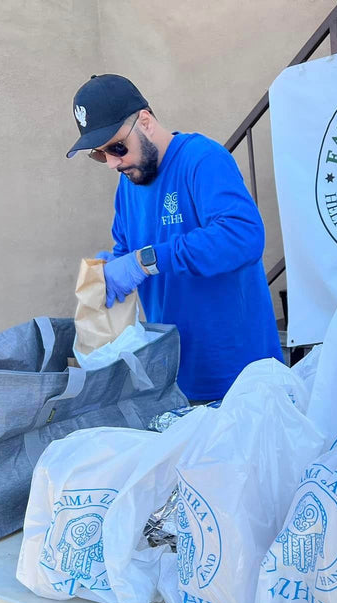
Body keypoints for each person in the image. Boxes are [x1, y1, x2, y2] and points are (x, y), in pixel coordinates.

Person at [66, 74, 282, 401]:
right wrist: (112, 269)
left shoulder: (201, 159)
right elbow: (127, 252)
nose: (112, 163)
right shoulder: (128, 186)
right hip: (175, 379)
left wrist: (145, 261)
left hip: (240, 377)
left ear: (145, 121)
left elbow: (243, 235)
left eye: (117, 147)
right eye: (99, 154)